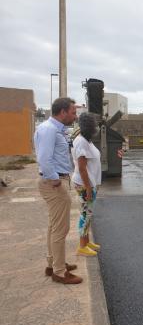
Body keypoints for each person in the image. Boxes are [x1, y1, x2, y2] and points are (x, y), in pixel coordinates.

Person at [35, 97, 82, 284]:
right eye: (73, 112)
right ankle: (60, 272)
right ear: (62, 112)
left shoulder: (55, 129)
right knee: (60, 229)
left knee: (54, 226)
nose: (75, 116)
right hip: (54, 182)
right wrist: (56, 181)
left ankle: (53, 263)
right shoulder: (49, 130)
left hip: (56, 180)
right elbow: (44, 159)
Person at [72, 113, 102, 257]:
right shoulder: (81, 142)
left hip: (90, 183)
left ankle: (87, 241)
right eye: (94, 125)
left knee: (88, 213)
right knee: (85, 214)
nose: (95, 127)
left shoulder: (86, 140)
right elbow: (82, 167)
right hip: (84, 185)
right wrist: (89, 187)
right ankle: (82, 246)